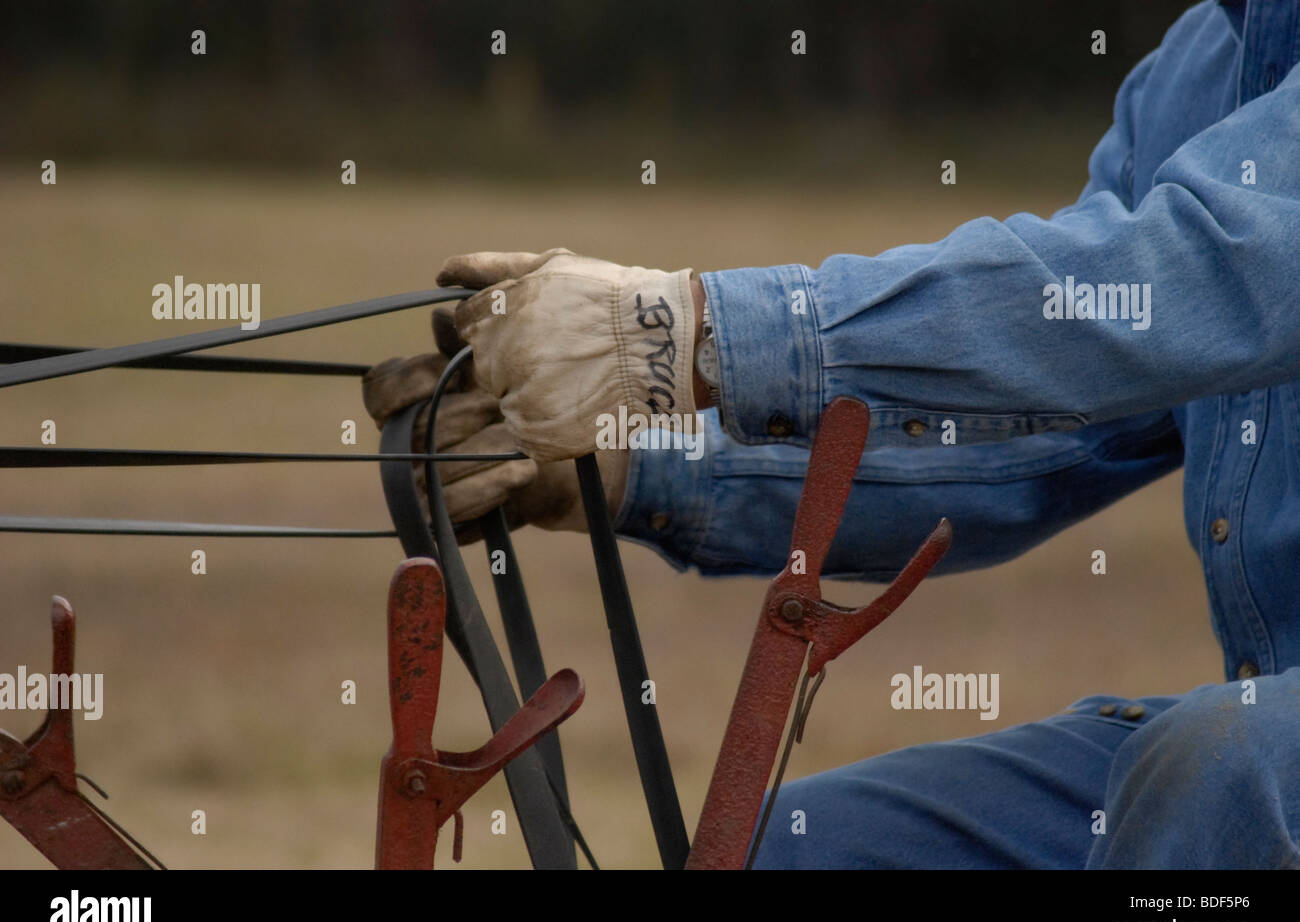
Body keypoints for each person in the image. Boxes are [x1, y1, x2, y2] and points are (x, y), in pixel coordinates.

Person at [363, 0, 1300, 868]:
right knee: (803, 849)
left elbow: (1195, 272)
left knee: (1217, 769)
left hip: (1234, 766)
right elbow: (1045, 437)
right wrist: (626, 468)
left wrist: (688, 334)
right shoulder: (1194, 71)